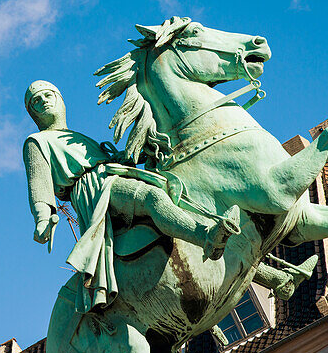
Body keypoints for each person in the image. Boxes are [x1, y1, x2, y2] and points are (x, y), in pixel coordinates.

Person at [23, 80, 239, 313]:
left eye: (48, 95)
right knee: (152, 198)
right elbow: (38, 183)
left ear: (60, 100)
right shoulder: (37, 142)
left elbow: (106, 162)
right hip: (94, 189)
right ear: (33, 113)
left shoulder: (76, 136)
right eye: (36, 101)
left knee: (173, 190)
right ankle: (207, 238)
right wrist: (43, 218)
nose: (44, 101)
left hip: (110, 176)